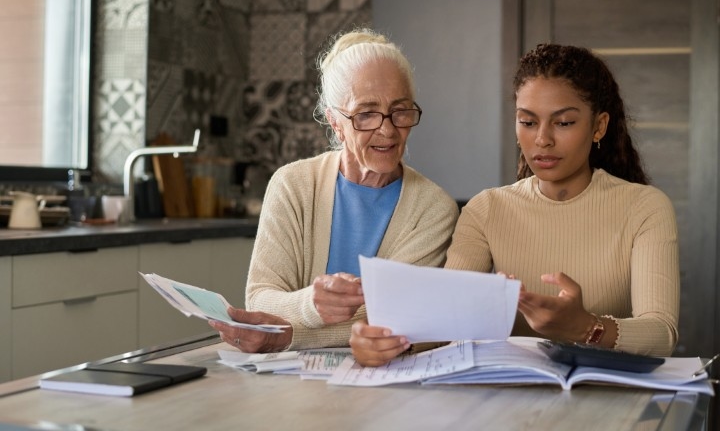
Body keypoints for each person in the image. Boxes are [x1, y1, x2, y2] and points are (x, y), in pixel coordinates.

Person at [350, 43, 679, 366]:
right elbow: (445, 323)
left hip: (611, 403)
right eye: (528, 122)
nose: (542, 140)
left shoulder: (644, 208)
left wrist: (585, 327)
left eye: (563, 123)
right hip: (513, 401)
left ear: (599, 126)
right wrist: (387, 342)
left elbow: (662, 333)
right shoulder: (487, 209)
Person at [209, 28, 459, 353]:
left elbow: (396, 317)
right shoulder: (292, 185)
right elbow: (260, 297)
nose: (387, 129)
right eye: (366, 113)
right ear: (335, 121)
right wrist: (309, 304)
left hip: (389, 383)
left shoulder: (433, 209)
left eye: (400, 111)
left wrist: (291, 335)